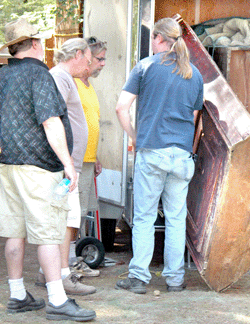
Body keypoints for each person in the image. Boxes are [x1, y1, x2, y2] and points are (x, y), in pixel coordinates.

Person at [0, 18, 96, 321]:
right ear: (36, 45)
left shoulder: (2, 76)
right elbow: (50, 121)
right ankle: (57, 299)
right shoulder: (38, 75)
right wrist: (68, 164)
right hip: (39, 168)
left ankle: (18, 294)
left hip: (8, 165)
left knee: (14, 233)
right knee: (48, 236)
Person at [115, 18, 203, 294]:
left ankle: (139, 277)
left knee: (144, 217)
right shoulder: (194, 73)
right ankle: (175, 279)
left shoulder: (145, 66)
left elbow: (121, 108)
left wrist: (134, 136)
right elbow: (194, 118)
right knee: (176, 218)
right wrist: (190, 148)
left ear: (157, 38)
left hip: (152, 151)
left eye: (152, 38)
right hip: (181, 156)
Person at [35, 38, 97, 295]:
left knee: (66, 218)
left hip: (70, 162)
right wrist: (67, 161)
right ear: (78, 54)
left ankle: (46, 274)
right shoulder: (60, 77)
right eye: (89, 58)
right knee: (66, 219)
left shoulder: (63, 77)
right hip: (66, 164)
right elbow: (52, 118)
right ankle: (61, 277)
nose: (90, 64)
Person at [74, 37, 107, 264]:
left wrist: (96, 156)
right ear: (86, 57)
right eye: (99, 59)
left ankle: (72, 262)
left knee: (81, 212)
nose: (103, 63)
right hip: (74, 161)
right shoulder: (72, 83)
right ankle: (66, 265)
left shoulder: (89, 85)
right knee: (72, 214)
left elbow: (91, 121)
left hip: (87, 159)